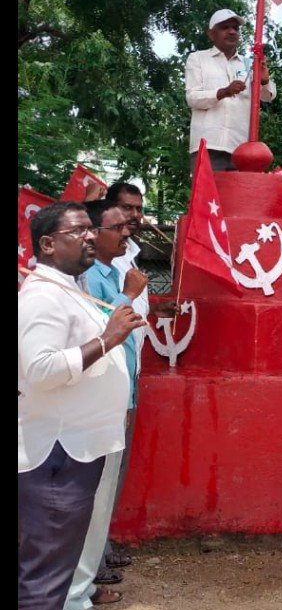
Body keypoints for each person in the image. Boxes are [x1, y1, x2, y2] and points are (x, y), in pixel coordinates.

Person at [18, 202, 144, 610]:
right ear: (49, 244)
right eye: (80, 231)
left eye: (92, 229)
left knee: (51, 563)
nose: (92, 237)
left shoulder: (67, 288)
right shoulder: (41, 298)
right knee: (45, 568)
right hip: (56, 452)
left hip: (73, 448)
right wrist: (108, 338)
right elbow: (42, 370)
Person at [61, 201, 148, 610]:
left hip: (116, 401)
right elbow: (102, 329)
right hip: (89, 409)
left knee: (100, 502)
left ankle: (85, 583)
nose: (126, 235)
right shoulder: (84, 278)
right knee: (87, 504)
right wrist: (129, 295)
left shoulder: (111, 274)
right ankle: (73, 597)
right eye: (119, 227)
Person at [101, 181, 176, 572]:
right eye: (125, 210)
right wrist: (130, 295)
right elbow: (107, 318)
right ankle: (90, 561)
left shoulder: (130, 255)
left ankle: (100, 546)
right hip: (104, 376)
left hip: (130, 372)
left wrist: (157, 311)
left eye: (137, 209)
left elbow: (134, 317)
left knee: (116, 468)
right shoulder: (101, 265)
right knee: (99, 472)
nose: (134, 217)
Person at [185, 8, 277, 173]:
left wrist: (264, 81)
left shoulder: (249, 63)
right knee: (207, 199)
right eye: (225, 27)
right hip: (208, 147)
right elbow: (192, 98)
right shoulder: (197, 58)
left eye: (235, 28)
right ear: (211, 34)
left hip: (241, 150)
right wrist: (224, 92)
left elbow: (268, 97)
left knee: (239, 199)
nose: (232, 31)